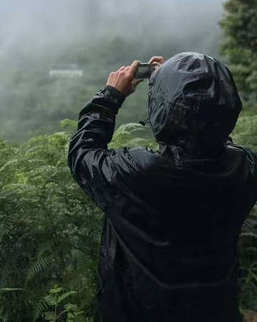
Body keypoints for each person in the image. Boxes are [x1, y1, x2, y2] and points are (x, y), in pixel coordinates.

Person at [68, 51, 257, 322]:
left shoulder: (136, 174)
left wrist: (110, 96)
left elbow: (82, 154)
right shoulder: (244, 169)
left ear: (162, 109)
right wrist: (169, 84)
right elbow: (214, 137)